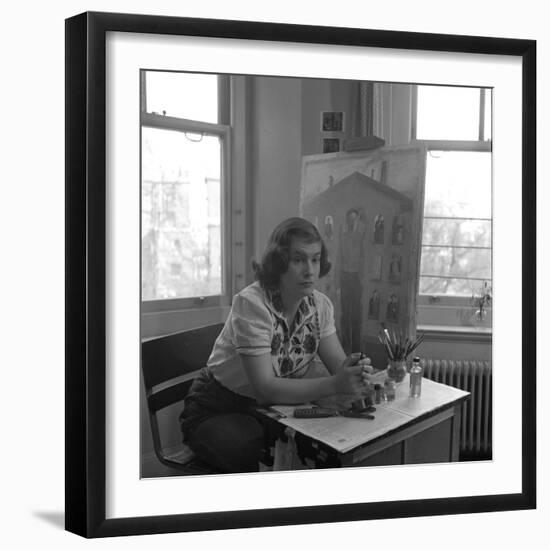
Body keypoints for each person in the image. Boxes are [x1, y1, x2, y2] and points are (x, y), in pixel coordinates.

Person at [179, 217, 372, 473]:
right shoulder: (252, 305)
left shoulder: (320, 305)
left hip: (273, 409)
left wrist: (355, 372)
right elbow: (266, 389)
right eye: (298, 259)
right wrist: (336, 385)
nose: (310, 270)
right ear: (279, 262)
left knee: (320, 447)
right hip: (217, 407)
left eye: (315, 259)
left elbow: (339, 366)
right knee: (259, 453)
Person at [338, 208, 366, 354]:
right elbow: (339, 258)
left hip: (356, 278)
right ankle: (345, 348)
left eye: (354, 219)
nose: (351, 222)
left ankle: (356, 349)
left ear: (357, 220)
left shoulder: (361, 238)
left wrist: (362, 279)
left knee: (356, 314)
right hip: (344, 276)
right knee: (345, 314)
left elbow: (363, 259)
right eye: (349, 219)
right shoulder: (343, 237)